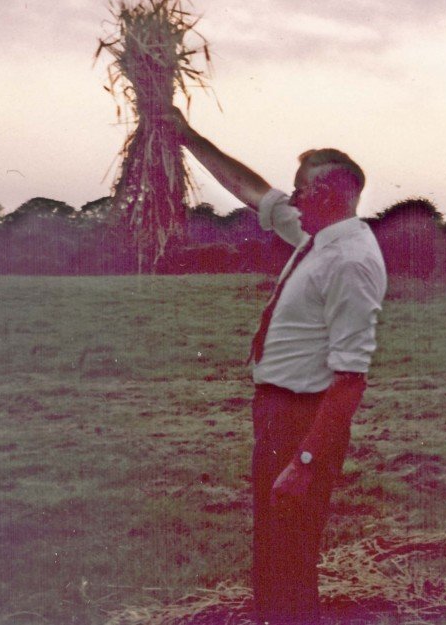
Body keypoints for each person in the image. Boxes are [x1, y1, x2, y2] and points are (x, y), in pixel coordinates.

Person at [166, 110, 387, 624]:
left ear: (331, 193)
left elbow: (351, 380)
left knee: (289, 555)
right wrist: (186, 136)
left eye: (302, 191)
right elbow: (252, 191)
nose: (293, 200)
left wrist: (305, 460)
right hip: (276, 413)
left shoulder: (350, 261)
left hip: (303, 420)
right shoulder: (317, 237)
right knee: (275, 548)